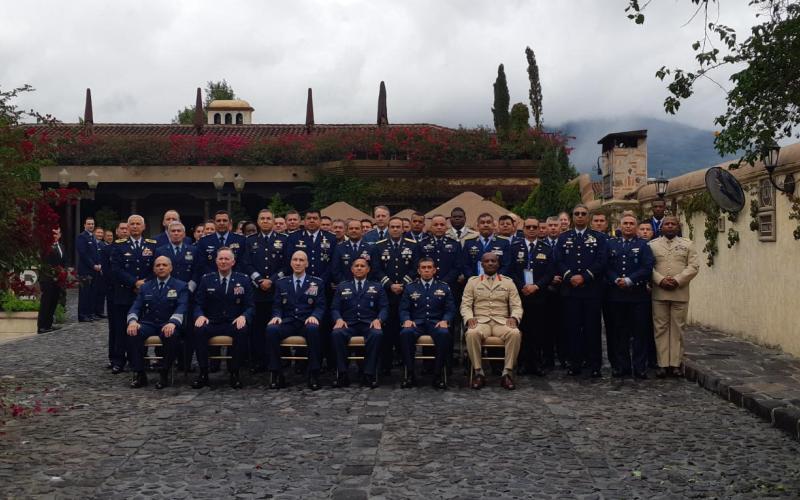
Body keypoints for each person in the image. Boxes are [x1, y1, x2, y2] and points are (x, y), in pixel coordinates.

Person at [554, 204, 608, 378]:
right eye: (576, 213)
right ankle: (574, 363)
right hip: (570, 291)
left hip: (591, 290)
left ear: (588, 217)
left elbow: (601, 261)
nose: (579, 216)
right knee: (572, 329)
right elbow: (558, 260)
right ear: (572, 217)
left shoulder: (598, 237)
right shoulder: (564, 237)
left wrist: (585, 276)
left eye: (583, 213)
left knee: (593, 329)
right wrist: (570, 276)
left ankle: (595, 365)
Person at [192, 248, 254, 389]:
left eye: (227, 259)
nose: (223, 261)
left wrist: (244, 316)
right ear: (216, 261)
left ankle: (235, 373)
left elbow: (250, 306)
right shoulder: (206, 279)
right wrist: (200, 315)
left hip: (233, 322)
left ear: (233, 262)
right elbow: (198, 303)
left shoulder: (243, 279)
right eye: (220, 259)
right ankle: (203, 373)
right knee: (199, 329)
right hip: (212, 322)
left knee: (242, 330)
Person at [461, 252, 523, 390]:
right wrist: (469, 318)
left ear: (498, 264)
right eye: (487, 261)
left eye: (493, 261)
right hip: (481, 321)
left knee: (515, 333)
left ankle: (507, 373)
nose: (490, 263)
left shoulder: (508, 282)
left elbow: (516, 305)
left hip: (501, 321)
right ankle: (478, 372)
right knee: (471, 333)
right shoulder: (473, 282)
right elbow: (465, 305)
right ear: (481, 264)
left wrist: (514, 317)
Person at [125, 256, 189, 389]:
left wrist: (173, 322)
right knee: (133, 333)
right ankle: (140, 373)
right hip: (149, 323)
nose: (161, 268)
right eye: (158, 265)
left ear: (170, 268)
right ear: (154, 269)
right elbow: (136, 306)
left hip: (168, 323)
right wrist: (132, 321)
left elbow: (182, 306)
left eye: (164, 265)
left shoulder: (181, 285)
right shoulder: (146, 286)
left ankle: (164, 372)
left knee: (171, 335)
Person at [266, 251, 325, 390]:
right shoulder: (281, 283)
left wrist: (315, 316)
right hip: (288, 322)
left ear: (307, 263)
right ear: (291, 262)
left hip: (306, 321)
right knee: (271, 330)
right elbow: (277, 305)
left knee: (313, 329)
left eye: (301, 260)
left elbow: (320, 306)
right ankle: (276, 372)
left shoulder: (317, 282)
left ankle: (313, 372)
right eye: (295, 260)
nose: (298, 263)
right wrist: (276, 316)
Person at [649, 215, 699, 378]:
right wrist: (660, 280)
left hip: (680, 292)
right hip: (659, 292)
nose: (670, 226)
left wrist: (678, 280)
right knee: (660, 329)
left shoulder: (687, 244)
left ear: (678, 227)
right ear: (661, 227)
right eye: (667, 224)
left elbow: (693, 266)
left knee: (678, 328)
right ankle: (663, 364)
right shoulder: (652, 245)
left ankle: (675, 364)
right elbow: (648, 266)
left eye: (673, 224)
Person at [605, 215, 655, 379]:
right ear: (620, 226)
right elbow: (606, 266)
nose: (628, 226)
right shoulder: (611, 244)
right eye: (625, 223)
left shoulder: (643, 245)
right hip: (616, 295)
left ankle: (640, 367)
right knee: (620, 333)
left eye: (631, 223)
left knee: (640, 333)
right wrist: (615, 279)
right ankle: (622, 366)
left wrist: (630, 280)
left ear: (636, 227)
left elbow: (647, 267)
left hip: (638, 296)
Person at [370, 217, 420, 375]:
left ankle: (406, 362)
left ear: (403, 229)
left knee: (404, 327)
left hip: (407, 293)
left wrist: (403, 284)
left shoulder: (413, 245)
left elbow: (415, 267)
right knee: (387, 329)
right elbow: (376, 269)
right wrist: (390, 285)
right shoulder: (379, 246)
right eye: (393, 226)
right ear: (388, 228)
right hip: (386, 293)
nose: (396, 229)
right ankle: (386, 363)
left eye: (398, 226)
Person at [242, 209, 289, 373]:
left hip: (277, 290)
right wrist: (259, 280)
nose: (265, 221)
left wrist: (272, 280)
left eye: (269, 218)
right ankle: (259, 360)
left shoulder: (284, 239)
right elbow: (246, 263)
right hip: (257, 291)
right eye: (262, 218)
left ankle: (278, 360)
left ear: (274, 221)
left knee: (277, 325)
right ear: (258, 221)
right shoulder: (250, 240)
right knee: (258, 328)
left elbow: (287, 265)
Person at [110, 215, 158, 374]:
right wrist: (134, 282)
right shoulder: (119, 246)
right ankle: (118, 361)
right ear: (128, 227)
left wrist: (144, 284)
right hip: (124, 293)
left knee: (141, 327)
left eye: (138, 224)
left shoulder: (151, 245)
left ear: (144, 227)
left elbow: (156, 268)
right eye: (132, 224)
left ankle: (138, 359)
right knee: (121, 328)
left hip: (145, 294)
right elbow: (116, 269)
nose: (135, 226)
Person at [330, 258, 388, 388]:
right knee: (336, 334)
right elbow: (334, 308)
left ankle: (369, 374)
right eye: (356, 266)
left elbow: (384, 308)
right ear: (352, 269)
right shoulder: (342, 286)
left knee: (377, 334)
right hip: (348, 324)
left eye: (362, 266)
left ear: (368, 269)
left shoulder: (377, 287)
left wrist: (379, 319)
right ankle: (342, 374)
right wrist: (338, 319)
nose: (359, 268)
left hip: (369, 324)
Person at [399, 257, 455, 389]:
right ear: (418, 271)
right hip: (416, 323)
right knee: (405, 333)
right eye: (423, 268)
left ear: (434, 270)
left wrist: (445, 320)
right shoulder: (410, 287)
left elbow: (450, 309)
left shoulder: (444, 287)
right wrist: (406, 319)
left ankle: (438, 375)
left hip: (436, 323)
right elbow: (403, 309)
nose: (426, 270)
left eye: (429, 268)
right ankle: (410, 374)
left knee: (444, 334)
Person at [509, 217, 555, 376]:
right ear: (523, 229)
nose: (531, 229)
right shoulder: (515, 247)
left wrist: (536, 286)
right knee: (522, 329)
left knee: (538, 330)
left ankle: (536, 363)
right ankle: (522, 363)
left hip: (539, 295)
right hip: (520, 294)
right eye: (528, 227)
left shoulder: (546, 248)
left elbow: (550, 272)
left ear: (539, 228)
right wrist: (522, 285)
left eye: (534, 227)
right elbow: (510, 270)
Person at [155, 221, 198, 372]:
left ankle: (185, 363)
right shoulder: (160, 250)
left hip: (189, 295)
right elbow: (157, 272)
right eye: (173, 231)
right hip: (167, 297)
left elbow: (197, 271)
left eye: (179, 231)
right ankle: (167, 361)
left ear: (184, 234)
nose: (176, 233)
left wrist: (189, 287)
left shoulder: (193, 250)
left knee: (188, 331)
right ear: (168, 233)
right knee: (170, 329)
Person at [195, 211, 246, 277]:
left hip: (235, 279)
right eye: (218, 221)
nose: (221, 223)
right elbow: (202, 264)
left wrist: (230, 277)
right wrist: (216, 277)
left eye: (224, 220)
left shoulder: (241, 240)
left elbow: (242, 262)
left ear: (230, 223)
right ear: (214, 223)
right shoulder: (204, 241)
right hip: (211, 278)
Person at [418, 215, 463, 288]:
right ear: (431, 227)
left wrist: (444, 282)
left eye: (442, 225)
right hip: (427, 285)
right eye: (436, 225)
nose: (439, 227)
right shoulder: (422, 243)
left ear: (446, 227)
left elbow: (458, 267)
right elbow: (418, 264)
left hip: (449, 285)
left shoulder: (455, 244)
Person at [462, 213, 511, 279]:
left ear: (493, 225)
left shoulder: (504, 243)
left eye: (488, 222)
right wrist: (474, 280)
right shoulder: (469, 243)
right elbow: (465, 265)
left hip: (497, 281)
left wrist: (496, 279)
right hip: (474, 281)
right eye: (482, 222)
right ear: (478, 226)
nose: (486, 225)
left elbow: (506, 265)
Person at [37, 227, 66, 334]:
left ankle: (48, 324)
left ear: (60, 235)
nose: (55, 236)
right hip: (47, 278)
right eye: (53, 234)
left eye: (57, 234)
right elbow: (44, 262)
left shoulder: (62, 246)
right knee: (46, 302)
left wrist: (63, 273)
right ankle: (41, 326)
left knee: (53, 301)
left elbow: (63, 262)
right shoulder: (46, 247)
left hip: (58, 280)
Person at [331, 219, 371, 286]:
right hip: (344, 286)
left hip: (366, 286)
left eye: (357, 228)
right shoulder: (339, 248)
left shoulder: (370, 248)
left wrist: (365, 284)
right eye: (351, 228)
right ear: (347, 231)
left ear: (362, 231)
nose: (354, 230)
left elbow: (374, 269)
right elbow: (335, 270)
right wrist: (346, 285)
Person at [76, 216, 100, 322]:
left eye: (92, 224)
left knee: (92, 293)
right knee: (84, 293)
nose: (91, 226)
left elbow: (96, 254)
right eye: (89, 224)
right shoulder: (82, 237)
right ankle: (82, 315)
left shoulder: (92, 237)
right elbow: (83, 254)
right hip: (85, 270)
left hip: (94, 270)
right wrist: (93, 265)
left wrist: (99, 264)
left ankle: (90, 313)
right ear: (84, 225)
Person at [93, 227, 108, 319]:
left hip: (102, 271)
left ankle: (100, 311)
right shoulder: (92, 243)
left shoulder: (103, 244)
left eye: (101, 233)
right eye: (98, 233)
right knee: (94, 293)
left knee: (101, 292)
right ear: (94, 233)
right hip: (94, 270)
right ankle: (93, 312)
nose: (100, 234)